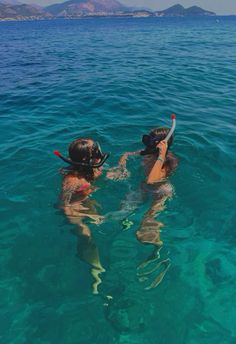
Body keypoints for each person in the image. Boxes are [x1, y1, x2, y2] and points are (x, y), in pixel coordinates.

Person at [107, 118, 178, 289]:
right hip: (144, 187)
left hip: (161, 192)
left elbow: (152, 179)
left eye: (152, 142)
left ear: (162, 145)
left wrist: (161, 155)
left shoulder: (168, 161)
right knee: (123, 210)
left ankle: (159, 250)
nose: (147, 144)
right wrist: (121, 165)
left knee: (146, 228)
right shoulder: (148, 153)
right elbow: (127, 154)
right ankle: (126, 222)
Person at [54, 138, 109, 294]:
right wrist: (81, 220)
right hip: (73, 207)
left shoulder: (93, 169)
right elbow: (63, 204)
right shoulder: (72, 181)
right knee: (86, 234)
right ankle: (95, 267)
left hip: (87, 201)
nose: (100, 157)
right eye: (96, 153)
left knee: (99, 222)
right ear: (88, 159)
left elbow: (104, 176)